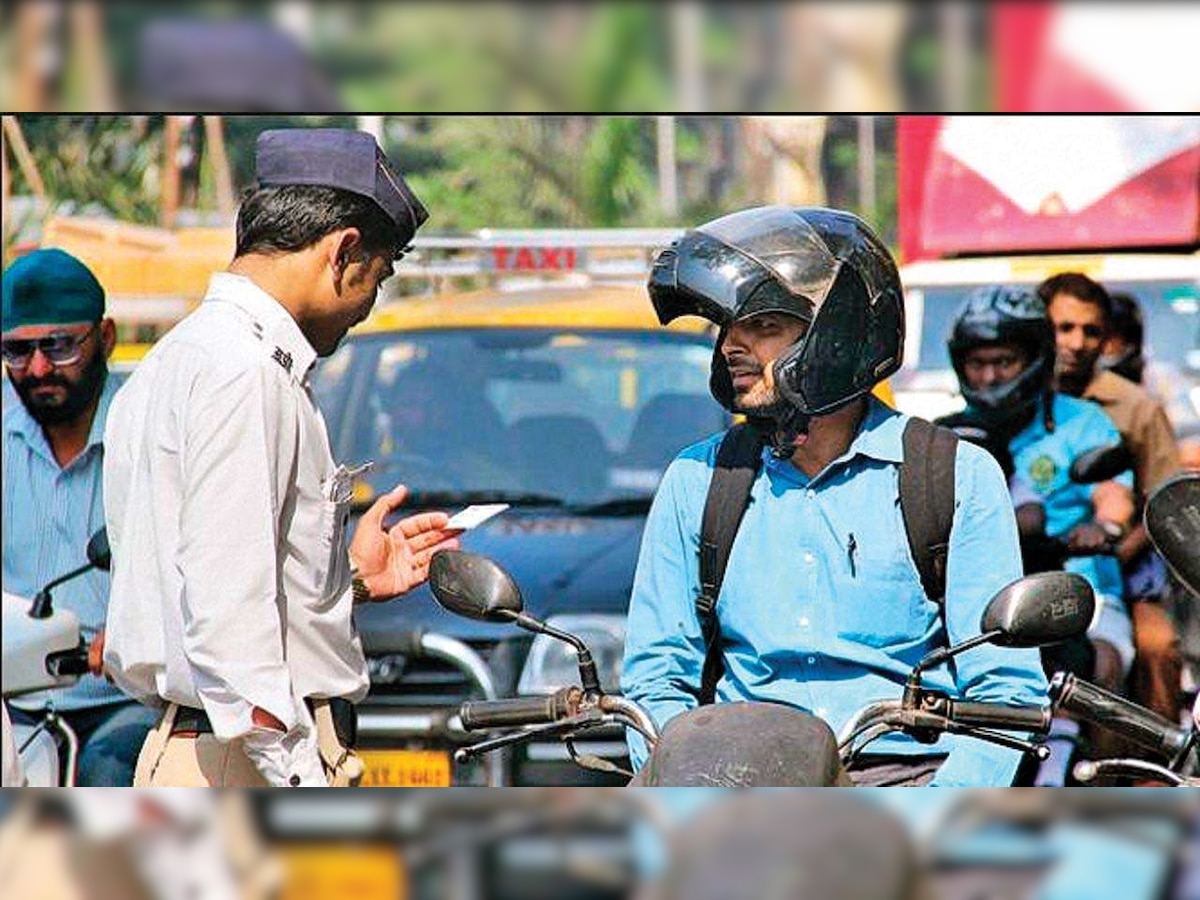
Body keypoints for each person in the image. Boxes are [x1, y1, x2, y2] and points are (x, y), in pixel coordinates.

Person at [621, 206, 1048, 788]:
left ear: (839, 335)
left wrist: (936, 820)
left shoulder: (953, 476)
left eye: (764, 327)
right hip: (735, 786)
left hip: (903, 779)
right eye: (729, 330)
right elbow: (657, 677)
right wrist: (685, 786)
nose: (731, 349)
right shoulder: (698, 478)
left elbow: (1005, 690)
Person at [102, 128, 461, 787]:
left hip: (216, 748)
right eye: (377, 280)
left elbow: (209, 581)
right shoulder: (245, 375)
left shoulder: (173, 363)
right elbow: (227, 625)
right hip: (246, 764)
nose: (366, 309)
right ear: (344, 252)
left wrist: (343, 582)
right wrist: (301, 782)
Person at [942, 284, 1136, 785]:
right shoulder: (948, 433)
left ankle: (1102, 787)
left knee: (1105, 665)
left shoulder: (1084, 422)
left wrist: (1104, 527)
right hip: (974, 594)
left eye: (1003, 362)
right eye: (978, 363)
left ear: (1034, 359)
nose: (989, 376)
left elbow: (1114, 494)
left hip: (1077, 585)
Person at [1, 248, 158, 785]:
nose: (39, 368)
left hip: (123, 694)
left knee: (109, 776)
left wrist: (131, 632)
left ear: (106, 338)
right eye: (17, 351)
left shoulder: (151, 427)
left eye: (59, 345)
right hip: (11, 701)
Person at [1039, 273, 1182, 726]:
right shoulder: (1016, 403)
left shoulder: (1136, 407)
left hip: (1123, 567)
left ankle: (1154, 775)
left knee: (1157, 648)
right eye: (1064, 328)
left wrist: (1114, 543)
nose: (1076, 343)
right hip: (1033, 567)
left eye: (1091, 331)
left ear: (1107, 339)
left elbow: (1165, 504)